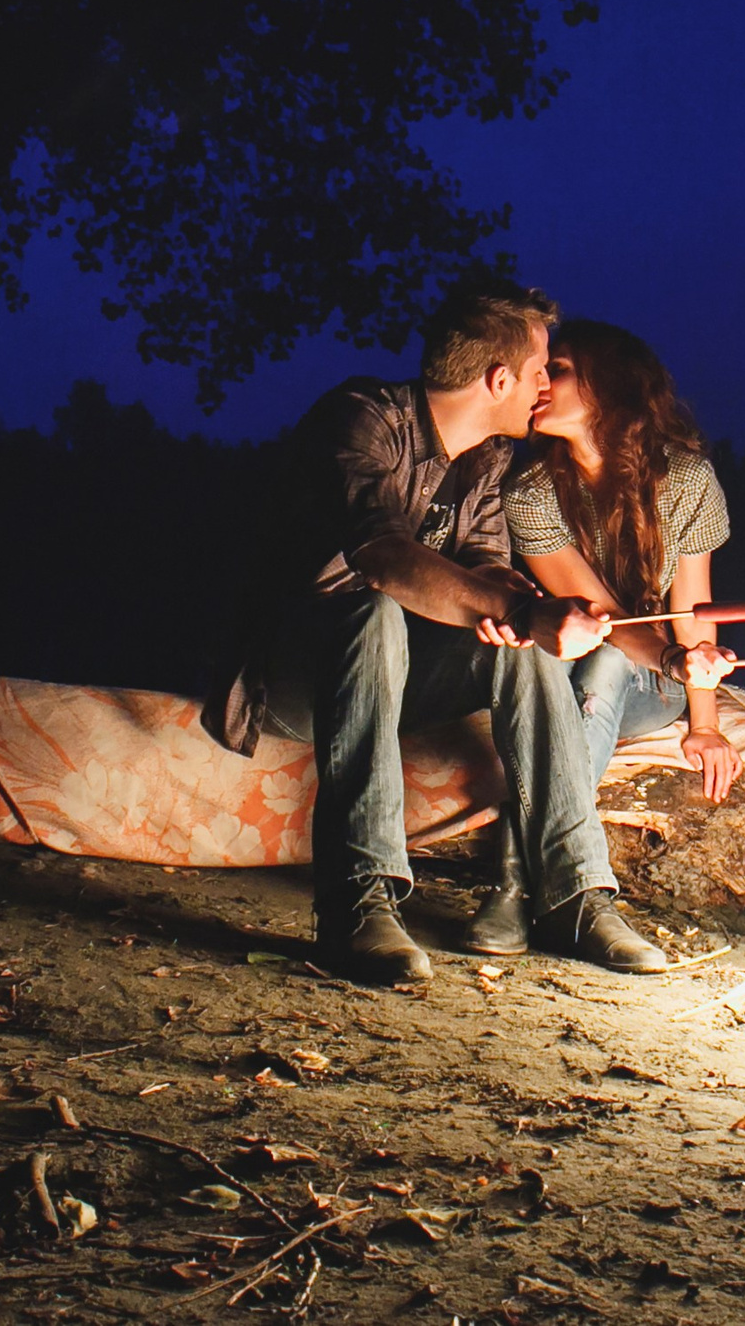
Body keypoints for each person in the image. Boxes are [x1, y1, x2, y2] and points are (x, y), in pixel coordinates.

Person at [214, 280, 670, 985]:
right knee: (376, 610)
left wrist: (528, 608)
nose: (545, 384)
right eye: (541, 369)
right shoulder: (363, 421)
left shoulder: (485, 459)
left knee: (525, 651)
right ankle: (358, 903)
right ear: (498, 379)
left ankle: (574, 893)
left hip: (400, 678)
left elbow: (486, 564)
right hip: (297, 678)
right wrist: (515, 607)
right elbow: (383, 556)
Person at [460, 320, 741, 955]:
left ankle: (508, 886)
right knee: (579, 659)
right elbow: (601, 615)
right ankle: (563, 895)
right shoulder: (531, 492)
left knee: (609, 668)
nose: (539, 381)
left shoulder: (688, 480)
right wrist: (671, 654)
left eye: (556, 370)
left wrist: (703, 718)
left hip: (653, 679)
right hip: (594, 660)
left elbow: (693, 607)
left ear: (607, 388)